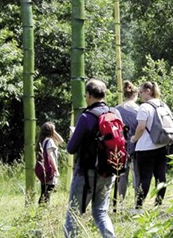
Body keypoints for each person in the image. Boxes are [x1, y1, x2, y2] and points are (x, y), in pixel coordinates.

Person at [64, 78, 119, 238]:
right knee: (101, 212)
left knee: (74, 214)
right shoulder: (115, 113)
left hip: (86, 174)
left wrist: (75, 135)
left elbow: (71, 148)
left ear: (88, 95)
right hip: (109, 171)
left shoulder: (86, 117)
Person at [131, 81, 172, 211]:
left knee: (145, 178)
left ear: (148, 91)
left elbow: (141, 127)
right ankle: (158, 205)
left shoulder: (144, 107)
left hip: (146, 147)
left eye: (141, 91)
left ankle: (138, 206)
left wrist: (134, 138)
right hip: (162, 144)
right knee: (161, 177)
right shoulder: (163, 105)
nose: (140, 94)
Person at [114, 81, 140, 207]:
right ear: (136, 95)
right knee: (137, 176)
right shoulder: (139, 110)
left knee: (122, 177)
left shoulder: (116, 109)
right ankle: (137, 203)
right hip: (136, 146)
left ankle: (121, 203)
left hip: (119, 147)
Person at [36, 121, 63, 204]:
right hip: (49, 170)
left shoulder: (42, 140)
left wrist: (52, 130)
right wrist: (56, 170)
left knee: (44, 191)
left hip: (43, 169)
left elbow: (61, 140)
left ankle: (41, 209)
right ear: (50, 131)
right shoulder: (50, 141)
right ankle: (43, 209)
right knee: (47, 192)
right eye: (54, 130)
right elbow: (50, 156)